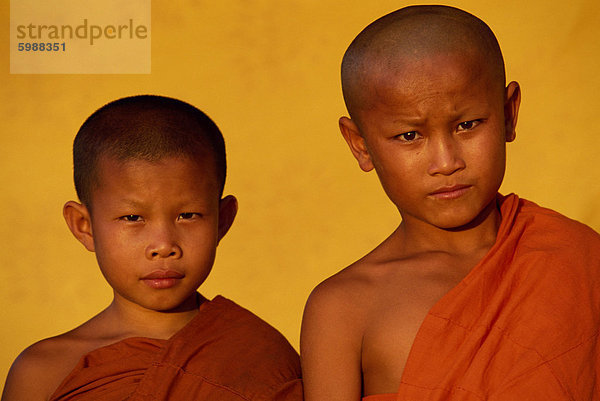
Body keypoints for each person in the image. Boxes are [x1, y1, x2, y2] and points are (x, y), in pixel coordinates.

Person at [300, 5, 600, 401]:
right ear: (360, 145)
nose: (446, 163)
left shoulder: (576, 258)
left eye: (467, 125)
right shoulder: (343, 309)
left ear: (509, 114)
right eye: (410, 136)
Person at [2, 95, 303, 401]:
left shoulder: (258, 356)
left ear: (222, 220)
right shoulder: (43, 372)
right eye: (132, 218)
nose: (163, 246)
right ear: (84, 225)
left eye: (188, 215)